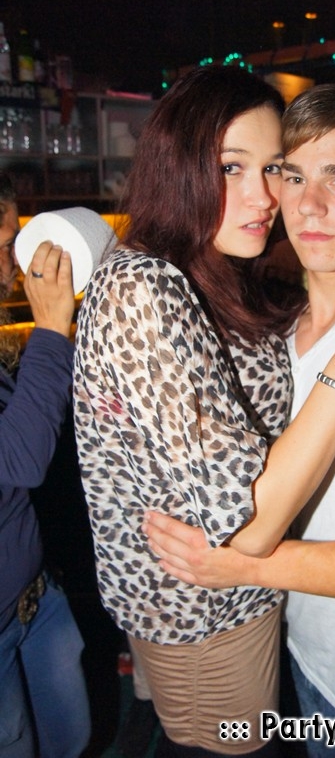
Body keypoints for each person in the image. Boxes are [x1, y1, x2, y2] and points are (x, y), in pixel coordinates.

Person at [71, 67, 335, 758]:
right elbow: (244, 524)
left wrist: (255, 571)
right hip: (212, 617)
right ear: (179, 165)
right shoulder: (150, 286)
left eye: (274, 170)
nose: (278, 199)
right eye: (234, 167)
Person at [0, 172, 91, 758]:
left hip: (35, 594)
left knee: (71, 738)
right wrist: (53, 329)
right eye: (4, 244)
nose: (13, 264)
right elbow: (21, 458)